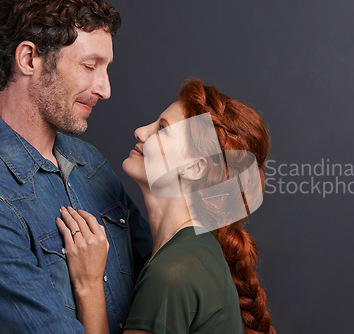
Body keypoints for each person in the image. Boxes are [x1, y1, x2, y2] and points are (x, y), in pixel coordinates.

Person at [57, 79, 276, 334]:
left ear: (195, 168)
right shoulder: (189, 253)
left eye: (162, 129)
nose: (140, 131)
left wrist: (89, 285)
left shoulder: (174, 272)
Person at [0, 1, 152, 333]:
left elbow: (157, 275)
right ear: (29, 59)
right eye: (89, 65)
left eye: (107, 68)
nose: (105, 89)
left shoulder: (91, 163)